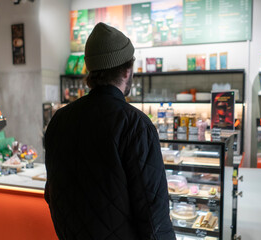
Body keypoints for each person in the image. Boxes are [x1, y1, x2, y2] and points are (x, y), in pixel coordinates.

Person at [45, 22, 176, 240]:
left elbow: (51, 194)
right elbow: (154, 216)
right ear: (127, 71)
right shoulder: (135, 125)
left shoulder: (59, 120)